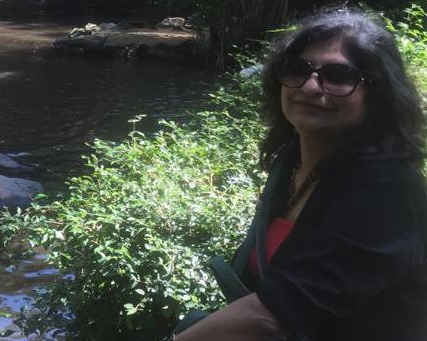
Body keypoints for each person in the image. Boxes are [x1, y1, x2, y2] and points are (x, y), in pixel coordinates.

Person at [176, 7, 427, 341]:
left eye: (338, 75)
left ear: (377, 94)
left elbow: (275, 316)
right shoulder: (291, 163)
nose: (310, 86)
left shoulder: (389, 193)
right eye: (297, 69)